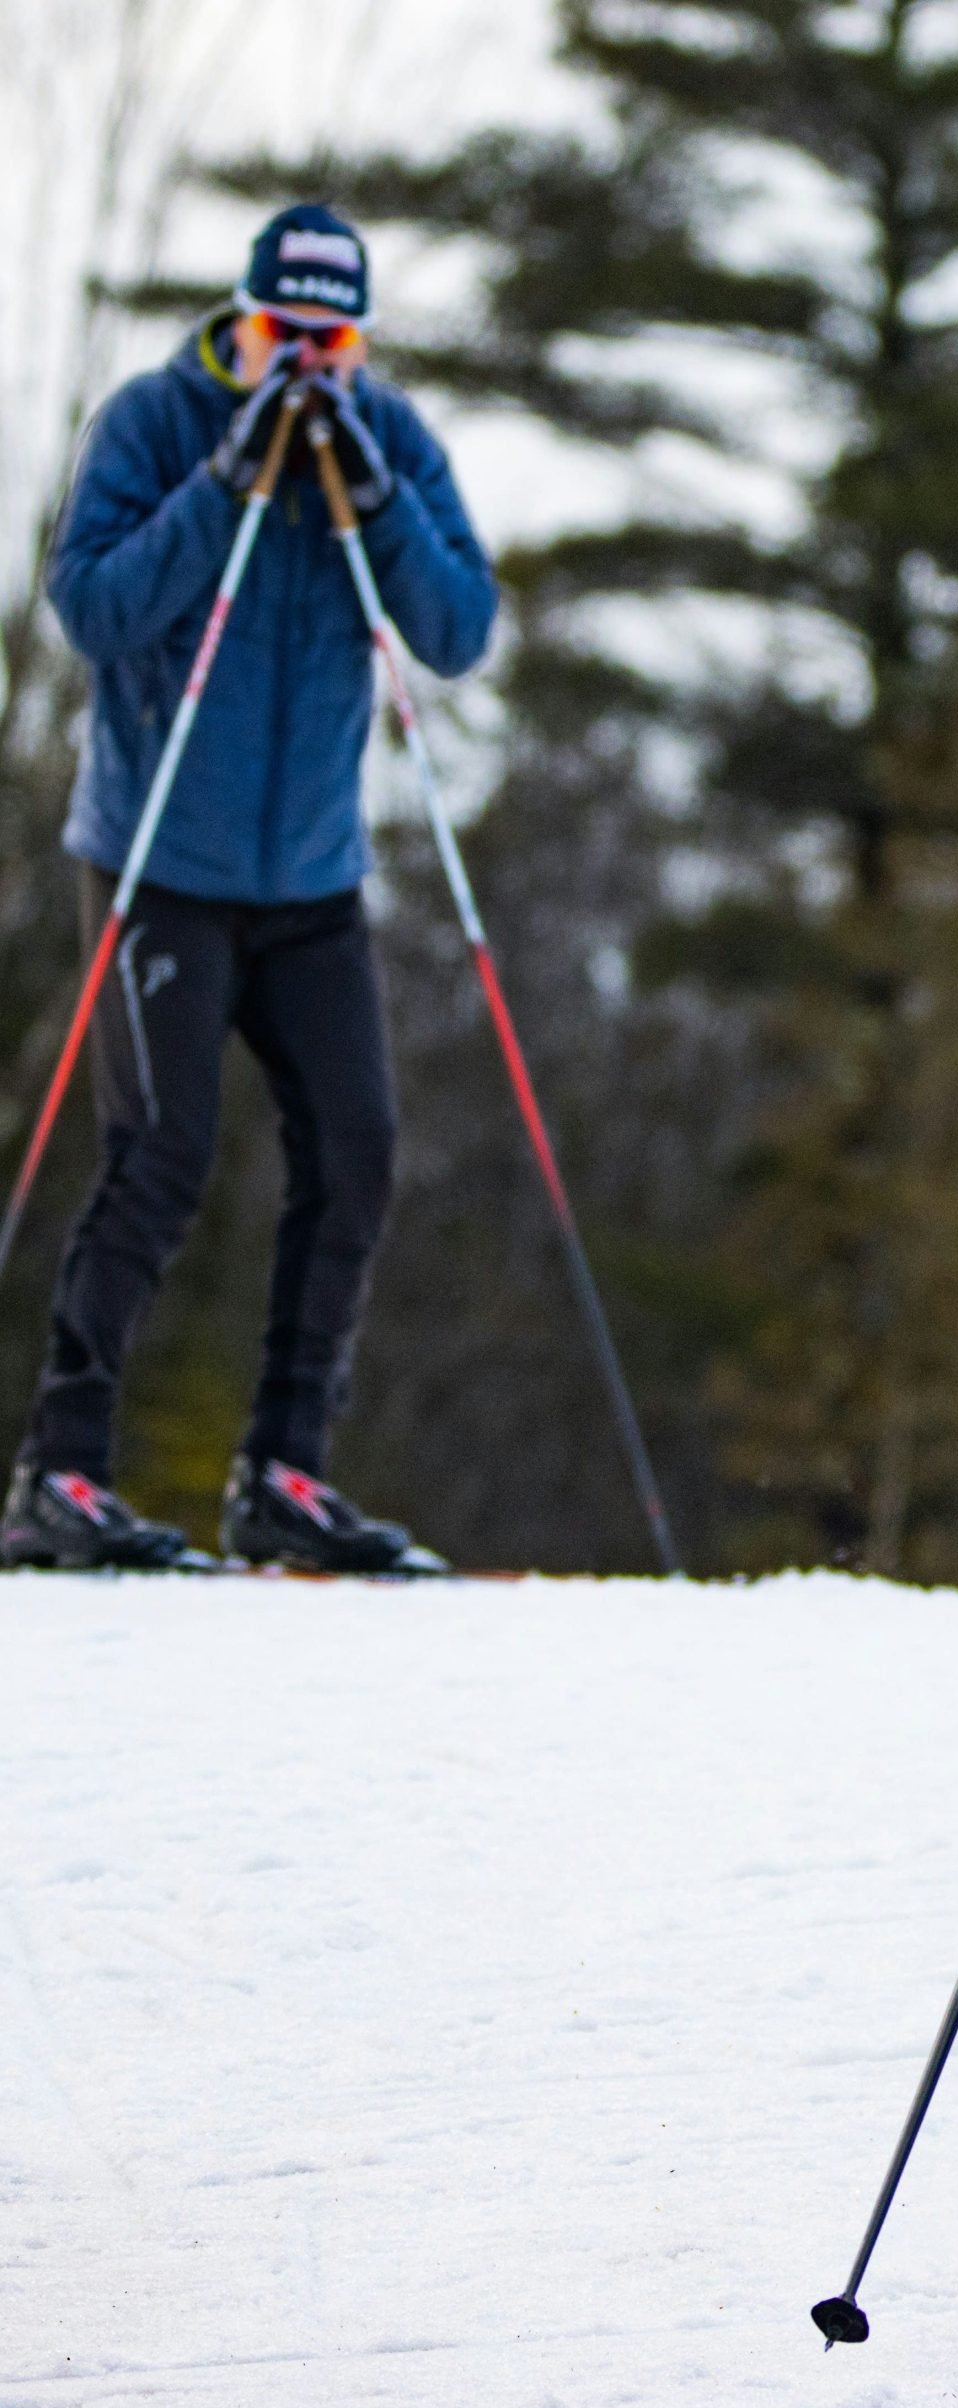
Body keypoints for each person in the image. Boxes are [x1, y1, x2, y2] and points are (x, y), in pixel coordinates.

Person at [1, 204, 497, 1574]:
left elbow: (458, 628)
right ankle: (60, 1471)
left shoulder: (383, 439)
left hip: (311, 876)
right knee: (159, 1158)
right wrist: (223, 484)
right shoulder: (157, 423)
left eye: (335, 344)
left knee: (357, 1150)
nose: (309, 369)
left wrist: (375, 502)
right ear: (244, 321)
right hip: (161, 859)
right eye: (288, 339)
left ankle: (285, 1473)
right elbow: (91, 611)